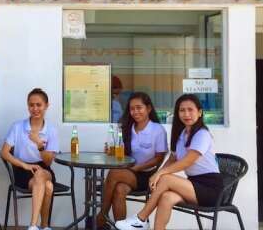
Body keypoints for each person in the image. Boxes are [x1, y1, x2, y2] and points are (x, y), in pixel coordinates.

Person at [115, 94, 224, 230]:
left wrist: (159, 175)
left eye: (190, 110)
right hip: (193, 184)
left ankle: (141, 219)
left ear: (200, 112)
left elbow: (186, 162)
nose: (186, 114)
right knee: (166, 197)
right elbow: (173, 159)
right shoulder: (183, 134)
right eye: (182, 110)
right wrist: (159, 173)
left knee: (166, 179)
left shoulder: (202, 134)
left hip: (210, 189)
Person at [95, 92, 167, 229]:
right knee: (119, 189)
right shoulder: (128, 128)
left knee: (115, 173)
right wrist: (111, 152)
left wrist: (138, 168)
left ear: (148, 109)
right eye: (132, 108)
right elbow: (123, 154)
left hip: (147, 175)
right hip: (129, 171)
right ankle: (120, 226)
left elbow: (159, 158)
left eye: (139, 108)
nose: (135, 112)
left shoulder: (157, 130)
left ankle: (102, 215)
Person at [1, 88, 58, 230]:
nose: (35, 109)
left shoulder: (51, 129)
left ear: (46, 106)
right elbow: (4, 153)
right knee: (48, 187)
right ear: (28, 106)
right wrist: (24, 165)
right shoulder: (17, 127)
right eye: (31, 105)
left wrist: (39, 144)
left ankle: (32, 225)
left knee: (41, 174)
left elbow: (48, 162)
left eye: (39, 105)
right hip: (22, 170)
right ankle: (44, 227)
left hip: (44, 169)